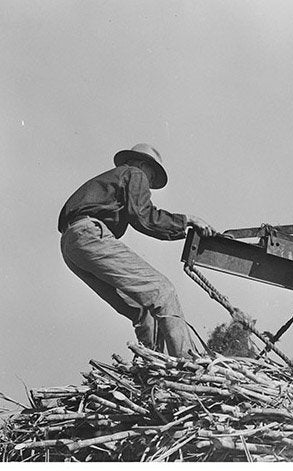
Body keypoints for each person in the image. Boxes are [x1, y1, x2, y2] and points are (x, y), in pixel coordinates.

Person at [58, 143, 213, 357]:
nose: (148, 184)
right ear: (142, 164)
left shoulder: (112, 179)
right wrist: (187, 221)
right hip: (89, 235)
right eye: (152, 176)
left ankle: (153, 363)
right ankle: (189, 362)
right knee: (163, 290)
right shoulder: (134, 173)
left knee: (143, 311)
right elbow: (145, 217)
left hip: (71, 246)